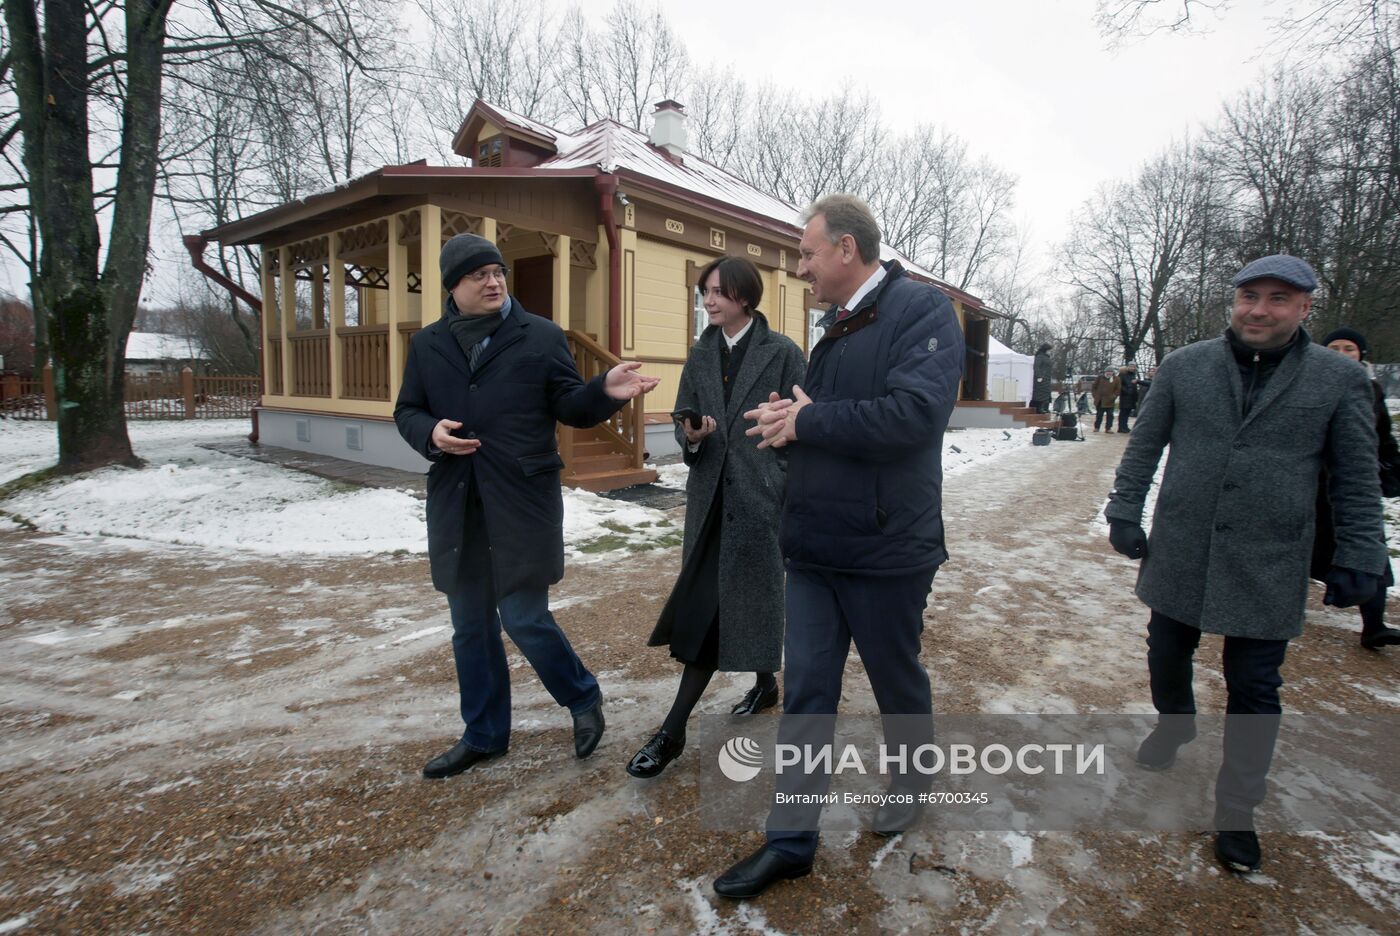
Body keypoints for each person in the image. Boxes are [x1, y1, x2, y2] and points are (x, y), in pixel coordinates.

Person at [713, 194, 965, 899]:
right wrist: (788, 426)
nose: (800, 268)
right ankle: (790, 840)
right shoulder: (836, 328)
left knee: (895, 678)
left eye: (807, 253)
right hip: (816, 547)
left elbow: (915, 417)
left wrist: (812, 421)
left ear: (847, 250)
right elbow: (824, 426)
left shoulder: (921, 312)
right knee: (808, 695)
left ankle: (912, 778)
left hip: (888, 549)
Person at [1105, 254, 1388, 874]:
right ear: (1233, 300)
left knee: (1256, 687)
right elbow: (1145, 444)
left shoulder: (1337, 381)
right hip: (1183, 546)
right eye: (1249, 296)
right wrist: (1125, 509)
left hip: (1270, 556)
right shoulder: (1186, 366)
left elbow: (1357, 482)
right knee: (1166, 651)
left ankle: (1237, 809)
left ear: (1305, 307)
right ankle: (1175, 723)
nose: (1260, 309)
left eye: (1278, 299)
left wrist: (1362, 553)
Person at [395, 233, 659, 779]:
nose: (493, 282)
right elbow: (407, 410)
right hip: (459, 501)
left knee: (523, 617)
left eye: (498, 272)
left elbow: (570, 406)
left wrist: (604, 390)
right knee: (470, 626)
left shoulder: (538, 335)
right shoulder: (427, 344)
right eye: (479, 275)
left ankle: (583, 698)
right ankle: (485, 734)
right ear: (454, 286)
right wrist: (429, 433)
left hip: (521, 500)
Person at [626, 256, 806, 778]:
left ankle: (688, 723)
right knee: (710, 607)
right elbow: (686, 415)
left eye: (718, 293)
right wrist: (693, 436)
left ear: (745, 298)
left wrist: (781, 480)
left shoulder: (783, 353)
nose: (708, 301)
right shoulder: (701, 352)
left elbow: (806, 423)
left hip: (759, 500)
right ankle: (686, 725)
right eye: (705, 292)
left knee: (749, 601)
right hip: (709, 504)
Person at [1313, 327, 1400, 649]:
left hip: (1355, 487)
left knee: (1367, 550)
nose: (1340, 354)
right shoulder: (1305, 387)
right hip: (1311, 486)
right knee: (1298, 549)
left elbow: (1383, 438)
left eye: (1348, 348)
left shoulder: (1371, 390)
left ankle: (1373, 625)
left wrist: (1391, 467)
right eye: (1333, 348)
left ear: (1361, 354)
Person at [1091, 367, 1121, 432]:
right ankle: (1097, 427)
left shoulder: (1116, 379)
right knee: (1099, 415)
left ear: (1113, 373)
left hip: (1110, 401)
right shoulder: (1100, 378)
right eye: (1108, 371)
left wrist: (1114, 396)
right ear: (1105, 372)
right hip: (1100, 401)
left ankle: (1108, 428)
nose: (1109, 373)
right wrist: (1095, 396)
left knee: (1110, 415)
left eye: (1111, 372)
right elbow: (1094, 387)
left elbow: (1118, 389)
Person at [1031, 342, 1053, 413]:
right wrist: (1039, 376)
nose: (1050, 352)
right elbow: (1036, 367)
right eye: (1049, 350)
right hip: (1041, 379)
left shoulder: (1046, 357)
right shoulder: (1040, 357)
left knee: (1046, 393)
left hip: (1046, 378)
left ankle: (1044, 407)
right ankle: (1038, 408)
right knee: (1039, 393)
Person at [1117, 363, 1139, 433]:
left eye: (1133, 367)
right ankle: (1121, 427)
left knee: (1127, 412)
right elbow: (1119, 385)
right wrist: (1126, 391)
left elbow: (1134, 386)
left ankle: (1125, 426)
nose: (1132, 368)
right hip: (1125, 396)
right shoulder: (1122, 374)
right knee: (1123, 412)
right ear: (1128, 367)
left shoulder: (1133, 375)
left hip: (1131, 397)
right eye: (1131, 366)